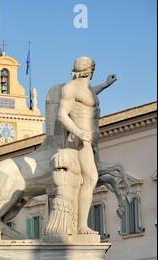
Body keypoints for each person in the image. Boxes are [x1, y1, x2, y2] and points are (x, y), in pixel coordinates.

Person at [58, 57, 117, 234]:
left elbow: (90, 94)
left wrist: (105, 84)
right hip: (80, 141)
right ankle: (82, 226)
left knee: (91, 178)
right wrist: (78, 132)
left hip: (92, 141)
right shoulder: (70, 88)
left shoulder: (86, 88)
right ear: (90, 70)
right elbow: (62, 115)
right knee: (91, 178)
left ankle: (81, 223)